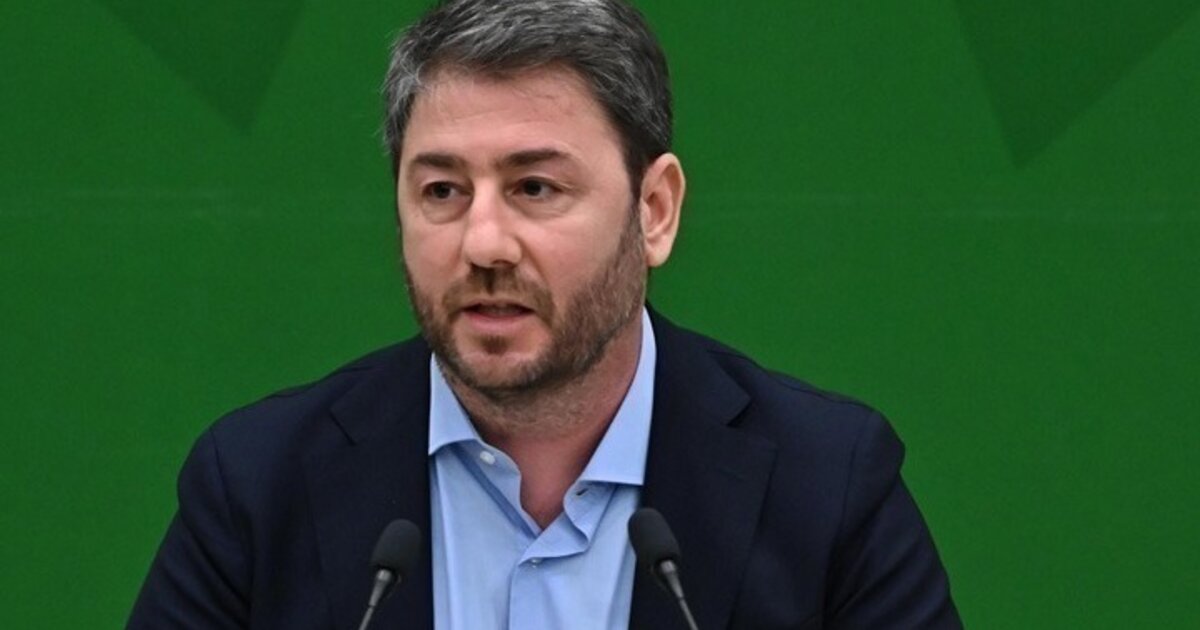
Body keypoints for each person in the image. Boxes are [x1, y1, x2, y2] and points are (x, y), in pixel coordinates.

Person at [128, 0, 961, 628]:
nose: (483, 242)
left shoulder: (827, 488)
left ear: (654, 211)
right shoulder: (257, 486)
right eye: (442, 191)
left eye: (534, 187)